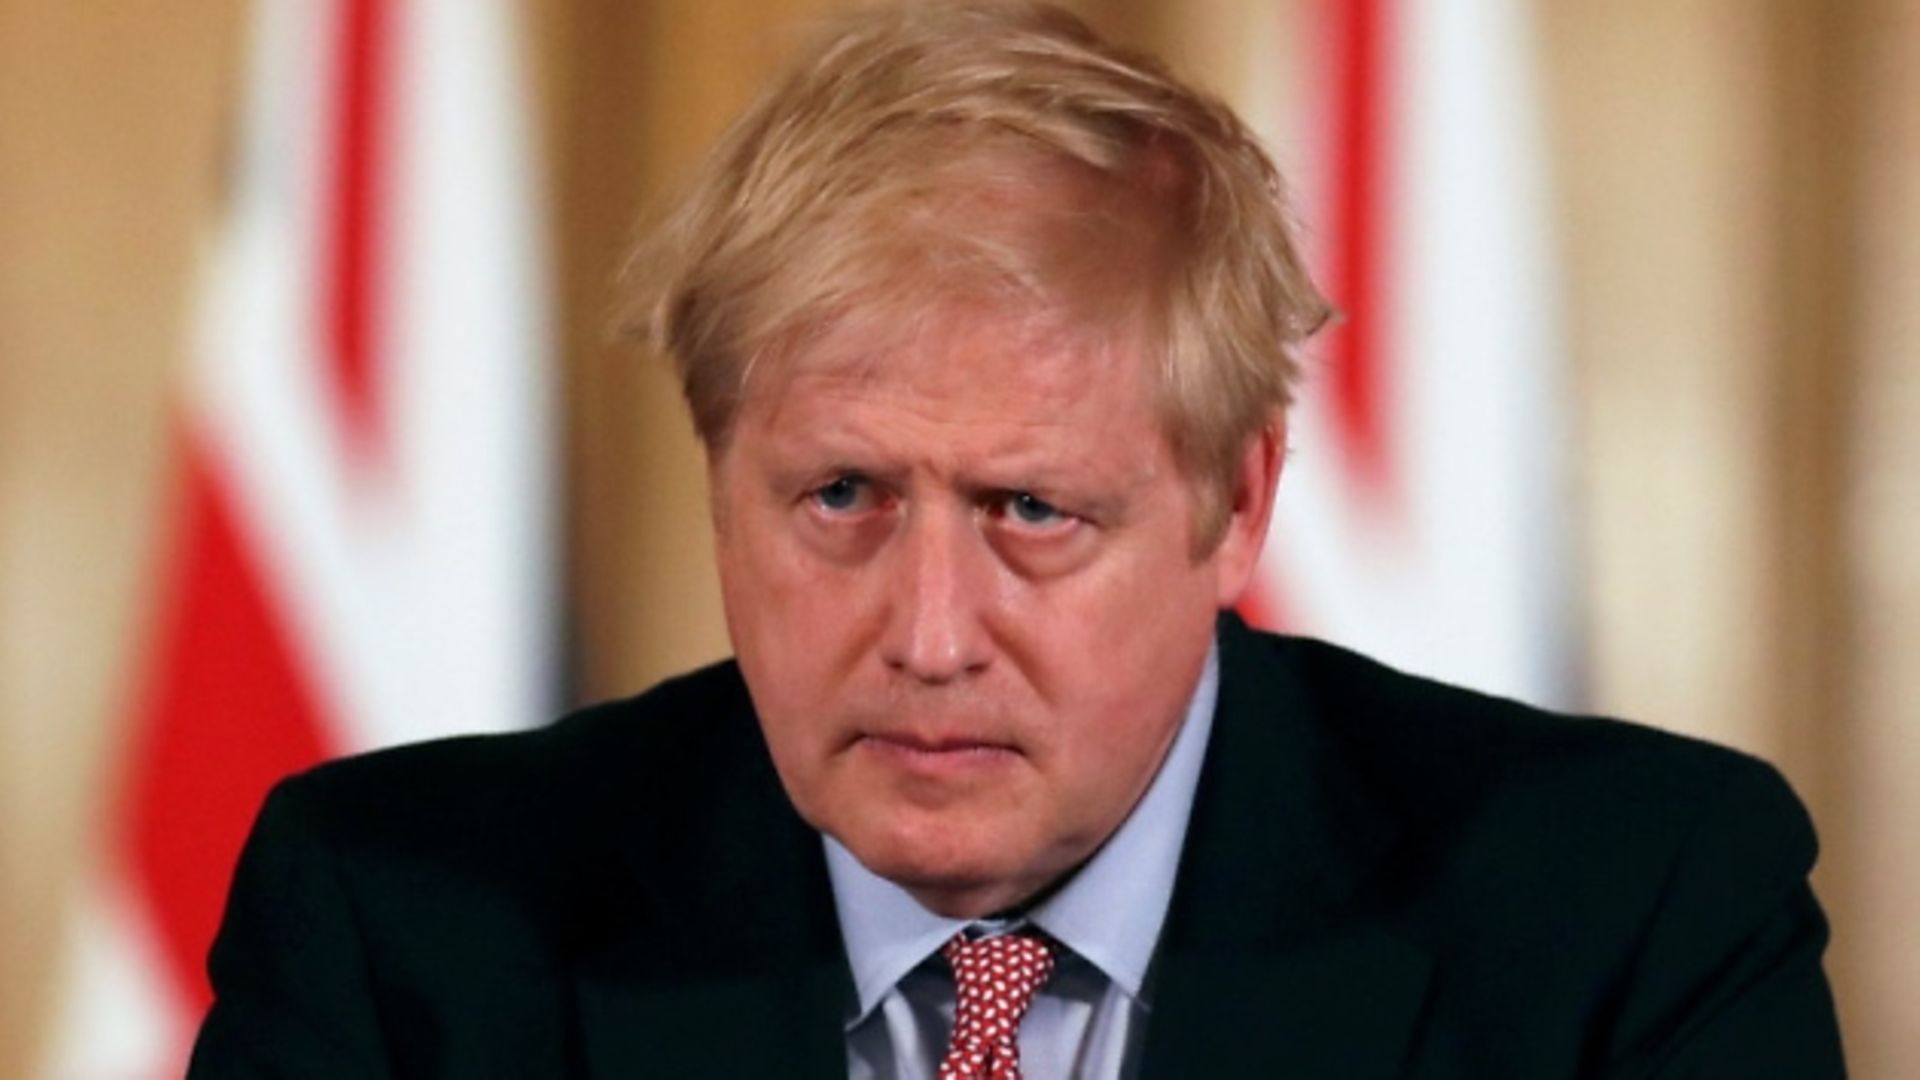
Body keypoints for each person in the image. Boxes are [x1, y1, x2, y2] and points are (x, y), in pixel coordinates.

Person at [190, 2, 1845, 1077]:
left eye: (1032, 513)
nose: (926, 633)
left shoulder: (1628, 922)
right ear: (721, 478)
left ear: (1237, 504)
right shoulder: (402, 928)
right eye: (841, 498)